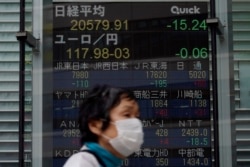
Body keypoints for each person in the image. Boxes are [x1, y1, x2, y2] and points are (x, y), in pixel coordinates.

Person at [63, 85, 144, 167]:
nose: (136, 122)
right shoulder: (81, 164)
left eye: (137, 117)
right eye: (127, 115)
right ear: (95, 125)